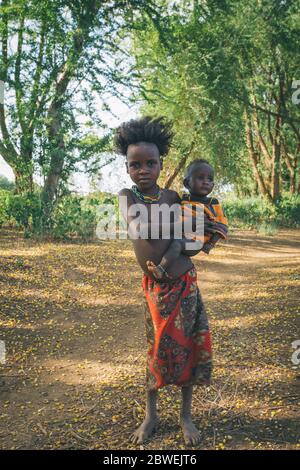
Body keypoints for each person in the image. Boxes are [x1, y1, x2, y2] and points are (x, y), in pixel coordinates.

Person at [116, 116, 214, 446]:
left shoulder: (174, 196)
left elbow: (193, 243)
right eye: (135, 164)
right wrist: (177, 227)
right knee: (155, 350)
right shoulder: (126, 196)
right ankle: (151, 415)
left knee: (186, 348)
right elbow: (137, 227)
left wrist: (196, 232)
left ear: (161, 165)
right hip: (155, 290)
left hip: (184, 282)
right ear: (127, 168)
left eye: (150, 163)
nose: (142, 170)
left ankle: (186, 415)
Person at [147, 159, 228, 280]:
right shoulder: (184, 200)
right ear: (187, 183)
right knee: (168, 238)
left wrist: (211, 243)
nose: (206, 182)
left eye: (210, 179)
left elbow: (222, 224)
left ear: (213, 185)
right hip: (182, 234)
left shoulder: (212, 203)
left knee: (177, 243)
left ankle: (161, 269)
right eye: (200, 178)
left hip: (196, 241)